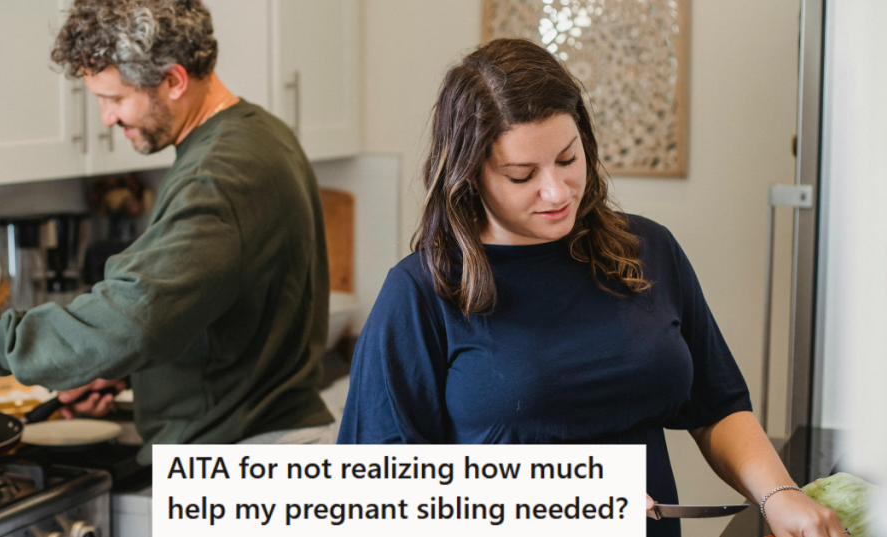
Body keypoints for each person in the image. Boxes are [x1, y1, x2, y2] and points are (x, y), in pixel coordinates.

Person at [337, 39, 846, 537]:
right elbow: (377, 491)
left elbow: (718, 407)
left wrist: (780, 495)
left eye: (567, 159)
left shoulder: (647, 249)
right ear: (470, 176)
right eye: (521, 175)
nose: (557, 192)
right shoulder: (422, 292)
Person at [0, 0, 336, 463]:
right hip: (266, 441)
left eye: (115, 98)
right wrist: (122, 375)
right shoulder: (259, 134)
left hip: (244, 458)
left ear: (173, 80)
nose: (107, 117)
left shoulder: (220, 173)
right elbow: (210, 310)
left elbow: (134, 315)